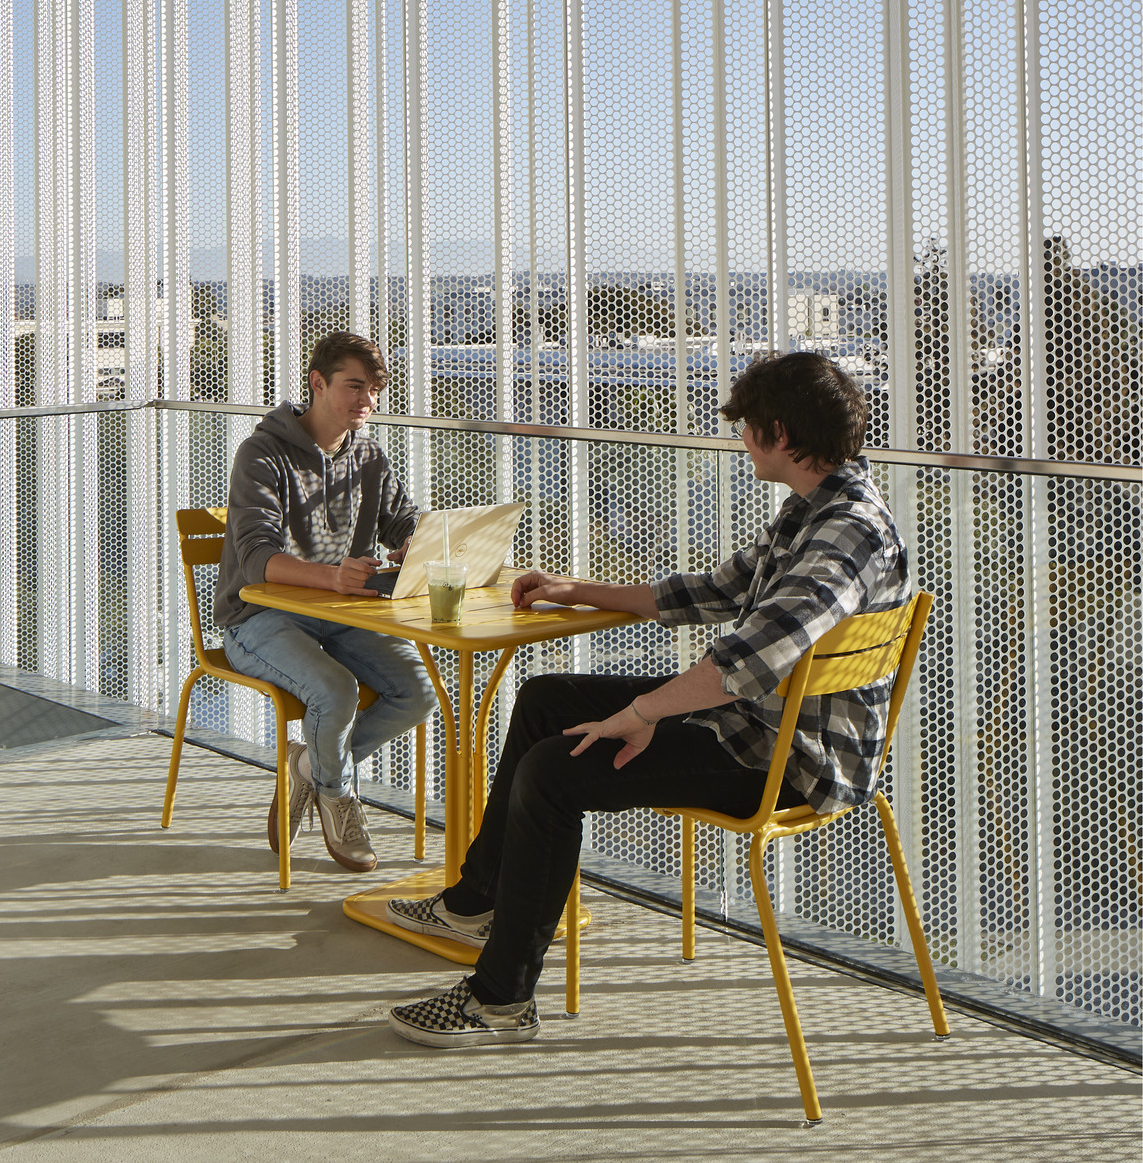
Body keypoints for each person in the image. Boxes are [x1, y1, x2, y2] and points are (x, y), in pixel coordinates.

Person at [384, 350, 910, 1047]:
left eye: (747, 428)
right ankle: (476, 901)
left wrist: (639, 716)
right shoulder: (812, 510)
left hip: (788, 761)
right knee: (547, 699)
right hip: (755, 724)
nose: (740, 440)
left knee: (552, 772)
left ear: (779, 433)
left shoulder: (849, 532)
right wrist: (577, 590)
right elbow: (718, 593)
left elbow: (748, 659)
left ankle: (499, 1000)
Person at [217, 332, 437, 872]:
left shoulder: (365, 453)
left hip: (336, 615)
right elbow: (257, 561)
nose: (367, 400)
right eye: (354, 386)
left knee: (418, 692)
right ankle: (338, 795)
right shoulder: (262, 453)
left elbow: (401, 520)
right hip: (258, 617)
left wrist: (417, 541)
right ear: (318, 383)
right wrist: (333, 579)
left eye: (375, 389)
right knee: (335, 690)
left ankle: (311, 771)